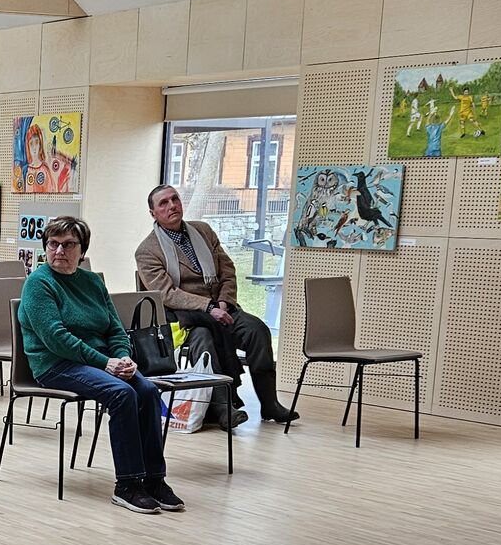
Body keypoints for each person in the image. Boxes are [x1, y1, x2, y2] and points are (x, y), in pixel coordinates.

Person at [18, 215, 183, 514]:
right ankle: (127, 485)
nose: (59, 251)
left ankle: (154, 479)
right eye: (53, 244)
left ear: (82, 250)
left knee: (147, 391)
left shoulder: (92, 282)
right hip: (56, 364)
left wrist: (123, 356)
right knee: (122, 394)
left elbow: (114, 329)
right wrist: (106, 363)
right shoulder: (38, 284)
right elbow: (57, 339)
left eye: (69, 244)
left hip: (100, 360)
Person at [135, 185, 297, 425]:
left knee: (257, 330)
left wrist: (223, 301)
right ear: (153, 213)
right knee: (204, 337)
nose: (172, 206)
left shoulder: (203, 231)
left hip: (222, 306)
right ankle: (223, 408)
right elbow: (167, 294)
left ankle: (269, 404)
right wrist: (209, 307)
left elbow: (227, 270)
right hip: (185, 319)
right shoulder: (147, 251)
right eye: (164, 203)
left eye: (175, 199)